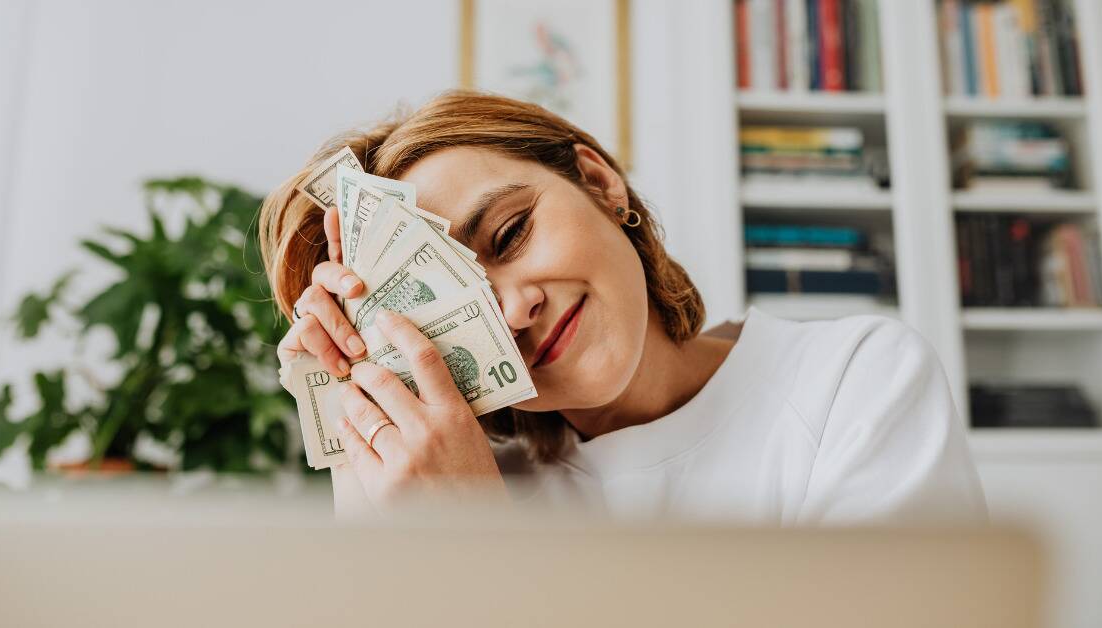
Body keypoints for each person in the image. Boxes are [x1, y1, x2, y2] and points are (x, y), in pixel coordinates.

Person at [259, 90, 988, 525]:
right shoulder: (465, 482)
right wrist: (359, 465)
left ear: (600, 182)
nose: (513, 310)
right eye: (453, 299)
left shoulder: (850, 382)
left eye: (511, 233)